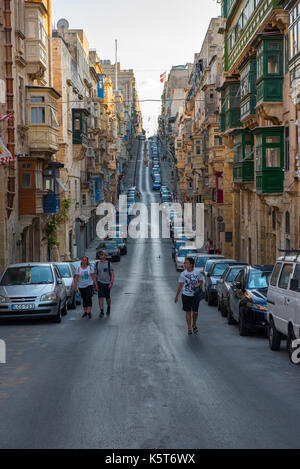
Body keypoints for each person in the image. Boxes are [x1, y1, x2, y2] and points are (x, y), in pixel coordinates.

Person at [174, 257, 204, 335]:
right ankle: (189, 327)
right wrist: (176, 296)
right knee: (188, 312)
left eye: (186, 263)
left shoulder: (197, 272)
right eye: (185, 263)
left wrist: (197, 285)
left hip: (195, 295)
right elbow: (180, 285)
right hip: (186, 295)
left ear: (191, 264)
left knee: (195, 313)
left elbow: (201, 281)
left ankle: (194, 323)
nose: (185, 264)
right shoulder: (183, 274)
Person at [95, 250, 115, 318]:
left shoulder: (109, 264)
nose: (101, 255)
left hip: (107, 283)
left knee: (107, 298)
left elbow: (112, 274)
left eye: (102, 254)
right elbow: (95, 274)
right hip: (100, 282)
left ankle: (109, 307)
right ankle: (101, 311)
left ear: (105, 256)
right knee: (100, 297)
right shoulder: (97, 264)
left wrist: (111, 282)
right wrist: (95, 284)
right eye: (100, 254)